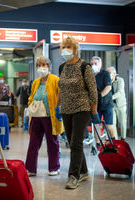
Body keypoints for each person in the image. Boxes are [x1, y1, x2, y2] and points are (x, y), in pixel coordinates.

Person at [56, 37, 99, 189]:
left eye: (69, 46)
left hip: (82, 108)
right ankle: (84, 171)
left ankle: (73, 176)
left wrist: (94, 111)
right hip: (66, 109)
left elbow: (93, 90)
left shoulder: (84, 67)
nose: (66, 49)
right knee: (71, 142)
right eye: (64, 47)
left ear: (75, 49)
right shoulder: (62, 67)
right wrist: (57, 106)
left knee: (76, 142)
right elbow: (61, 88)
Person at [25, 56, 64, 177]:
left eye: (44, 65)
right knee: (33, 143)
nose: (41, 68)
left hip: (50, 116)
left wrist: (59, 109)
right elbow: (32, 96)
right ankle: (30, 168)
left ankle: (54, 167)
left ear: (49, 67)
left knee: (52, 142)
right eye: (39, 65)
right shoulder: (36, 82)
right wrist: (31, 104)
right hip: (36, 116)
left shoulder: (55, 80)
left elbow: (61, 96)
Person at [91, 56, 115, 148]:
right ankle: (98, 144)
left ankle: (113, 140)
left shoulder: (105, 74)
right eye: (92, 64)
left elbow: (108, 87)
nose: (93, 65)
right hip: (95, 105)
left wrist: (99, 96)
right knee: (96, 125)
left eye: (95, 63)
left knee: (109, 126)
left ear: (100, 65)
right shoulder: (90, 76)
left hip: (107, 104)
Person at [106, 66, 127, 140]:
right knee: (113, 123)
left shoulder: (120, 80)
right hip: (111, 105)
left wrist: (110, 98)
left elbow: (120, 92)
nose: (107, 74)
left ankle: (123, 138)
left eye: (109, 73)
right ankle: (115, 140)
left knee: (122, 123)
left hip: (121, 105)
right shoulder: (106, 81)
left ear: (114, 73)